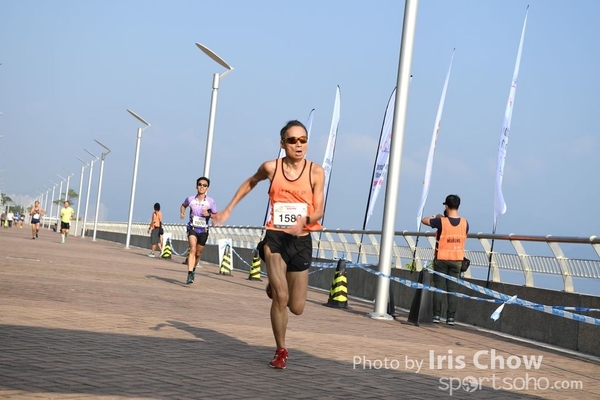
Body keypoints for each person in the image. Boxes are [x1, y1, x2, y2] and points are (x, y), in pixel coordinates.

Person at [213, 120, 325, 369]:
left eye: (303, 140)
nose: (298, 145)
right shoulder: (271, 168)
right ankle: (281, 350)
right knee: (281, 297)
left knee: (297, 307)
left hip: (301, 239)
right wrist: (229, 209)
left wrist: (305, 220)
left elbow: (319, 210)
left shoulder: (316, 172)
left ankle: (273, 286)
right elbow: (251, 181)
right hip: (275, 238)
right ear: (282, 144)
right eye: (293, 140)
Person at [421, 194, 469, 326]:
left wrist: (436, 217)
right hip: (457, 259)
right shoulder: (465, 223)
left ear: (446, 206)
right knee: (452, 290)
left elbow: (424, 220)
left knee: (439, 288)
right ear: (458, 206)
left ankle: (436, 316)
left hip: (441, 258)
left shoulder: (441, 222)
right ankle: (451, 318)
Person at [180, 177, 217, 284]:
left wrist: (208, 214)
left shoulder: (210, 201)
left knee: (197, 254)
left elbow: (216, 215)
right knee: (192, 249)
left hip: (203, 230)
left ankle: (193, 270)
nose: (202, 187)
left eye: (204, 185)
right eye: (200, 184)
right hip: (192, 228)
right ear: (196, 186)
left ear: (207, 188)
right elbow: (183, 205)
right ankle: (189, 273)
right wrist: (182, 213)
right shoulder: (190, 199)